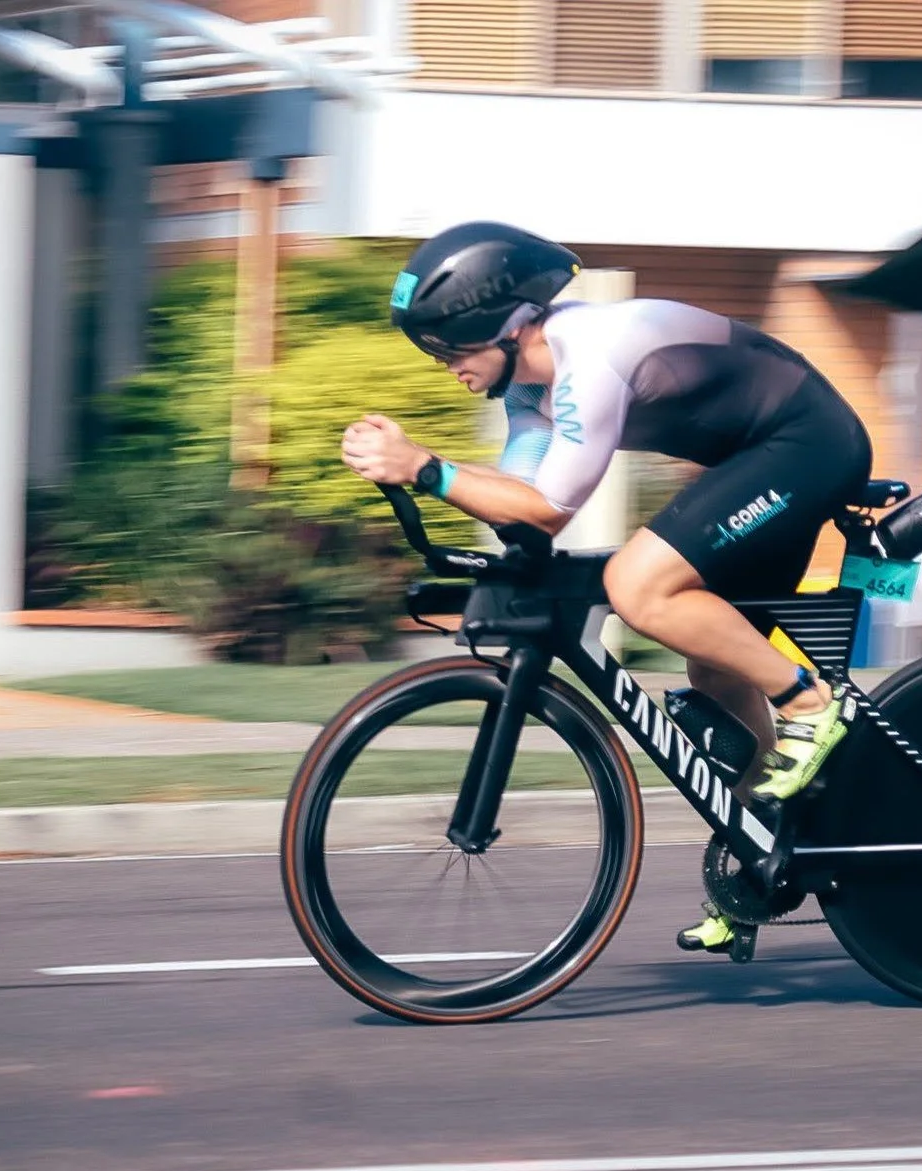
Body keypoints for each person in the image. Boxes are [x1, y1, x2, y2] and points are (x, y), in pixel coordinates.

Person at [340, 221, 873, 956]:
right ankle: (759, 862)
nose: (445, 367)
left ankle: (814, 706)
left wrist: (427, 468)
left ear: (507, 327)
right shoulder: (529, 392)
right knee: (714, 669)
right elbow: (522, 505)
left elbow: (545, 509)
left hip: (806, 444)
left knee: (638, 584)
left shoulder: (588, 360)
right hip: (753, 458)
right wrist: (450, 500)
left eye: (451, 349)